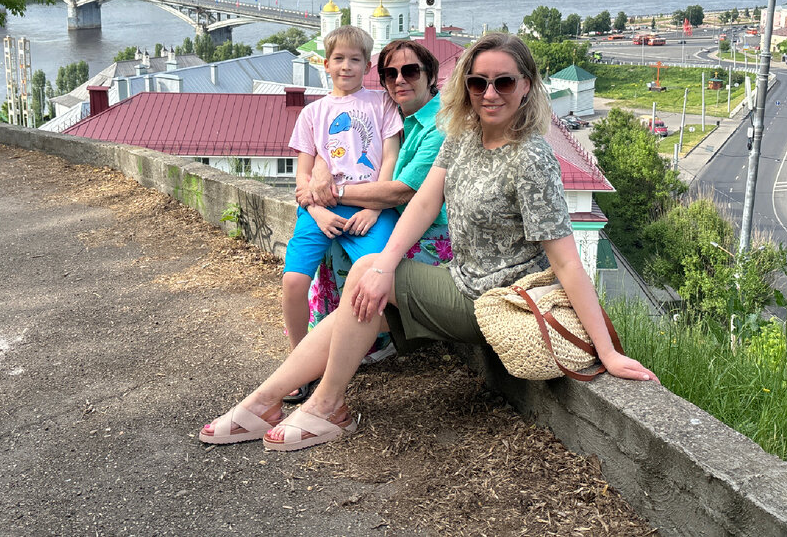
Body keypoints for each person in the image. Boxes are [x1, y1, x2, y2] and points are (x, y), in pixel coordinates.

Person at [200, 33, 658, 450]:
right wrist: (385, 265)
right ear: (466, 87)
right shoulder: (464, 136)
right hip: (461, 281)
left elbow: (566, 261)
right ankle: (265, 401)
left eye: (503, 82)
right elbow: (421, 204)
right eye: (479, 83)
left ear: (527, 86)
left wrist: (608, 350)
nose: (490, 94)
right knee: (361, 295)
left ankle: (326, 407)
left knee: (364, 274)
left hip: (497, 301)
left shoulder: (531, 158)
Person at [299, 39, 451, 364]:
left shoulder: (440, 127)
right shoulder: (390, 111)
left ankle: (375, 336)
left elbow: (401, 191)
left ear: (430, 75)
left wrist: (333, 193)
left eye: (410, 71)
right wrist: (324, 168)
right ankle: (340, 331)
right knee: (335, 237)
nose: (399, 80)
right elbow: (336, 137)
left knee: (368, 258)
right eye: (389, 73)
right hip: (398, 219)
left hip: (432, 235)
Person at [282, 26, 402, 359]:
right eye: (338, 59)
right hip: (319, 209)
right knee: (293, 281)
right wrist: (317, 211)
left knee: (375, 276)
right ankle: (299, 357)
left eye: (355, 59)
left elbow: (389, 159)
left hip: (370, 209)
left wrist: (376, 209)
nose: (346, 66)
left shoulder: (382, 103)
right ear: (326, 64)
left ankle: (364, 346)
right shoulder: (313, 113)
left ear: (367, 66)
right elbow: (302, 177)